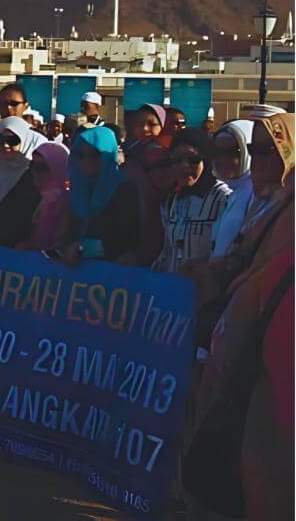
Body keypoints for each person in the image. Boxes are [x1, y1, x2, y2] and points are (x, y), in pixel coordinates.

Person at [189, 114, 294, 521]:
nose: (259, 158)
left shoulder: (289, 207)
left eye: (269, 150)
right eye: (256, 149)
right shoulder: (261, 199)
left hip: (269, 340)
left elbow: (273, 271)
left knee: (265, 459)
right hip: (244, 329)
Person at [152, 127, 232, 274]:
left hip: (201, 291)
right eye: (176, 160)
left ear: (206, 160)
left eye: (193, 160)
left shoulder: (223, 199)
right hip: (171, 288)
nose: (184, 166)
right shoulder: (171, 201)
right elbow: (167, 252)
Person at [60, 127, 142, 265]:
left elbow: (128, 240)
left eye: (94, 155)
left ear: (108, 154)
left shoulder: (124, 190)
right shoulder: (78, 188)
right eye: (80, 155)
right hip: (78, 272)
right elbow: (70, 233)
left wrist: (84, 249)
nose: (86, 160)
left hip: (111, 273)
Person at [0, 116, 45, 247]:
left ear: (24, 140)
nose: (5, 145)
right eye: (0, 140)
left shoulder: (31, 176)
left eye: (12, 140)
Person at [210, 120, 255, 258]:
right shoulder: (220, 191)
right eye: (216, 152)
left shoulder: (255, 195)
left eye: (232, 152)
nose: (222, 159)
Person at [23, 142, 71, 252]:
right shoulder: (32, 193)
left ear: (58, 168)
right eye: (32, 165)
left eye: (41, 168)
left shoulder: (60, 201)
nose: (34, 172)